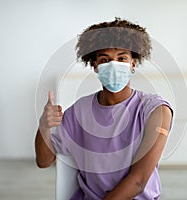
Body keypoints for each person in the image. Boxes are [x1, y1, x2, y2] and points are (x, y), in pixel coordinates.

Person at [35, 18, 173, 200]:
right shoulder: (79, 112)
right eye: (105, 59)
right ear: (95, 66)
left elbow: (138, 182)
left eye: (122, 58)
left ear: (133, 64)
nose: (114, 65)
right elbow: (44, 161)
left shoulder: (156, 111)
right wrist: (44, 127)